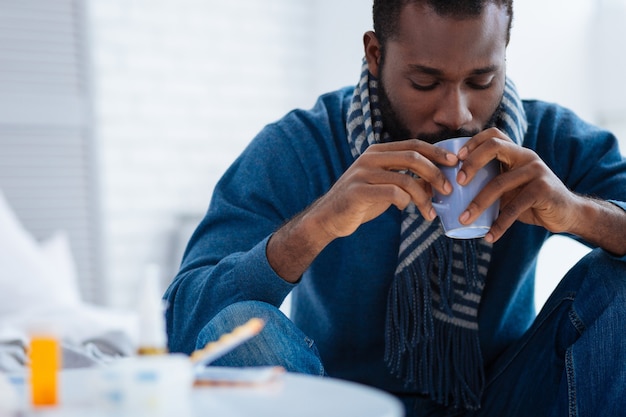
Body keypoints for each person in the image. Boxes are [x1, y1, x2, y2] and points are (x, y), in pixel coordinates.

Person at [164, 0, 626, 415]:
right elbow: (179, 325)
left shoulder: (548, 140)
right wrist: (316, 226)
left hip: (506, 399)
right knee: (240, 329)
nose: (457, 113)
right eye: (426, 81)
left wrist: (579, 214)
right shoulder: (300, 145)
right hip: (341, 405)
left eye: (481, 80)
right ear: (375, 54)